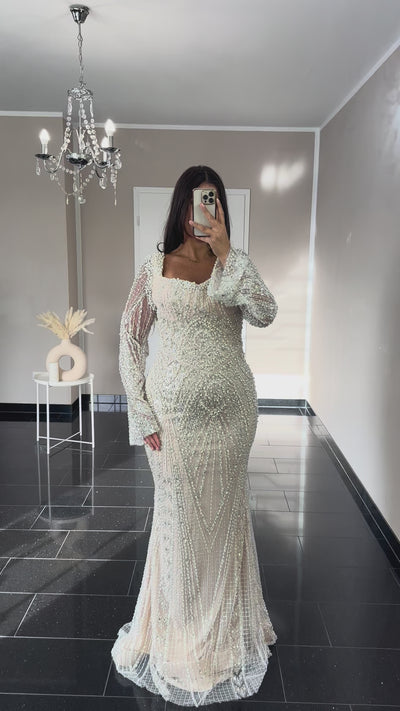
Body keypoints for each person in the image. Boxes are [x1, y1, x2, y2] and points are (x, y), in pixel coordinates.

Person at [111, 165, 278, 707]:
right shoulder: (154, 267)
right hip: (173, 423)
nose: (201, 210)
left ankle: (226, 633)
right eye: (194, 200)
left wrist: (228, 252)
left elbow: (266, 313)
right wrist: (141, 412)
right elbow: (130, 340)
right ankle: (180, 635)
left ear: (220, 207)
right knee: (179, 520)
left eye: (212, 200)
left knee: (226, 518)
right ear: (180, 205)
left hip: (233, 419)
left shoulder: (234, 267)